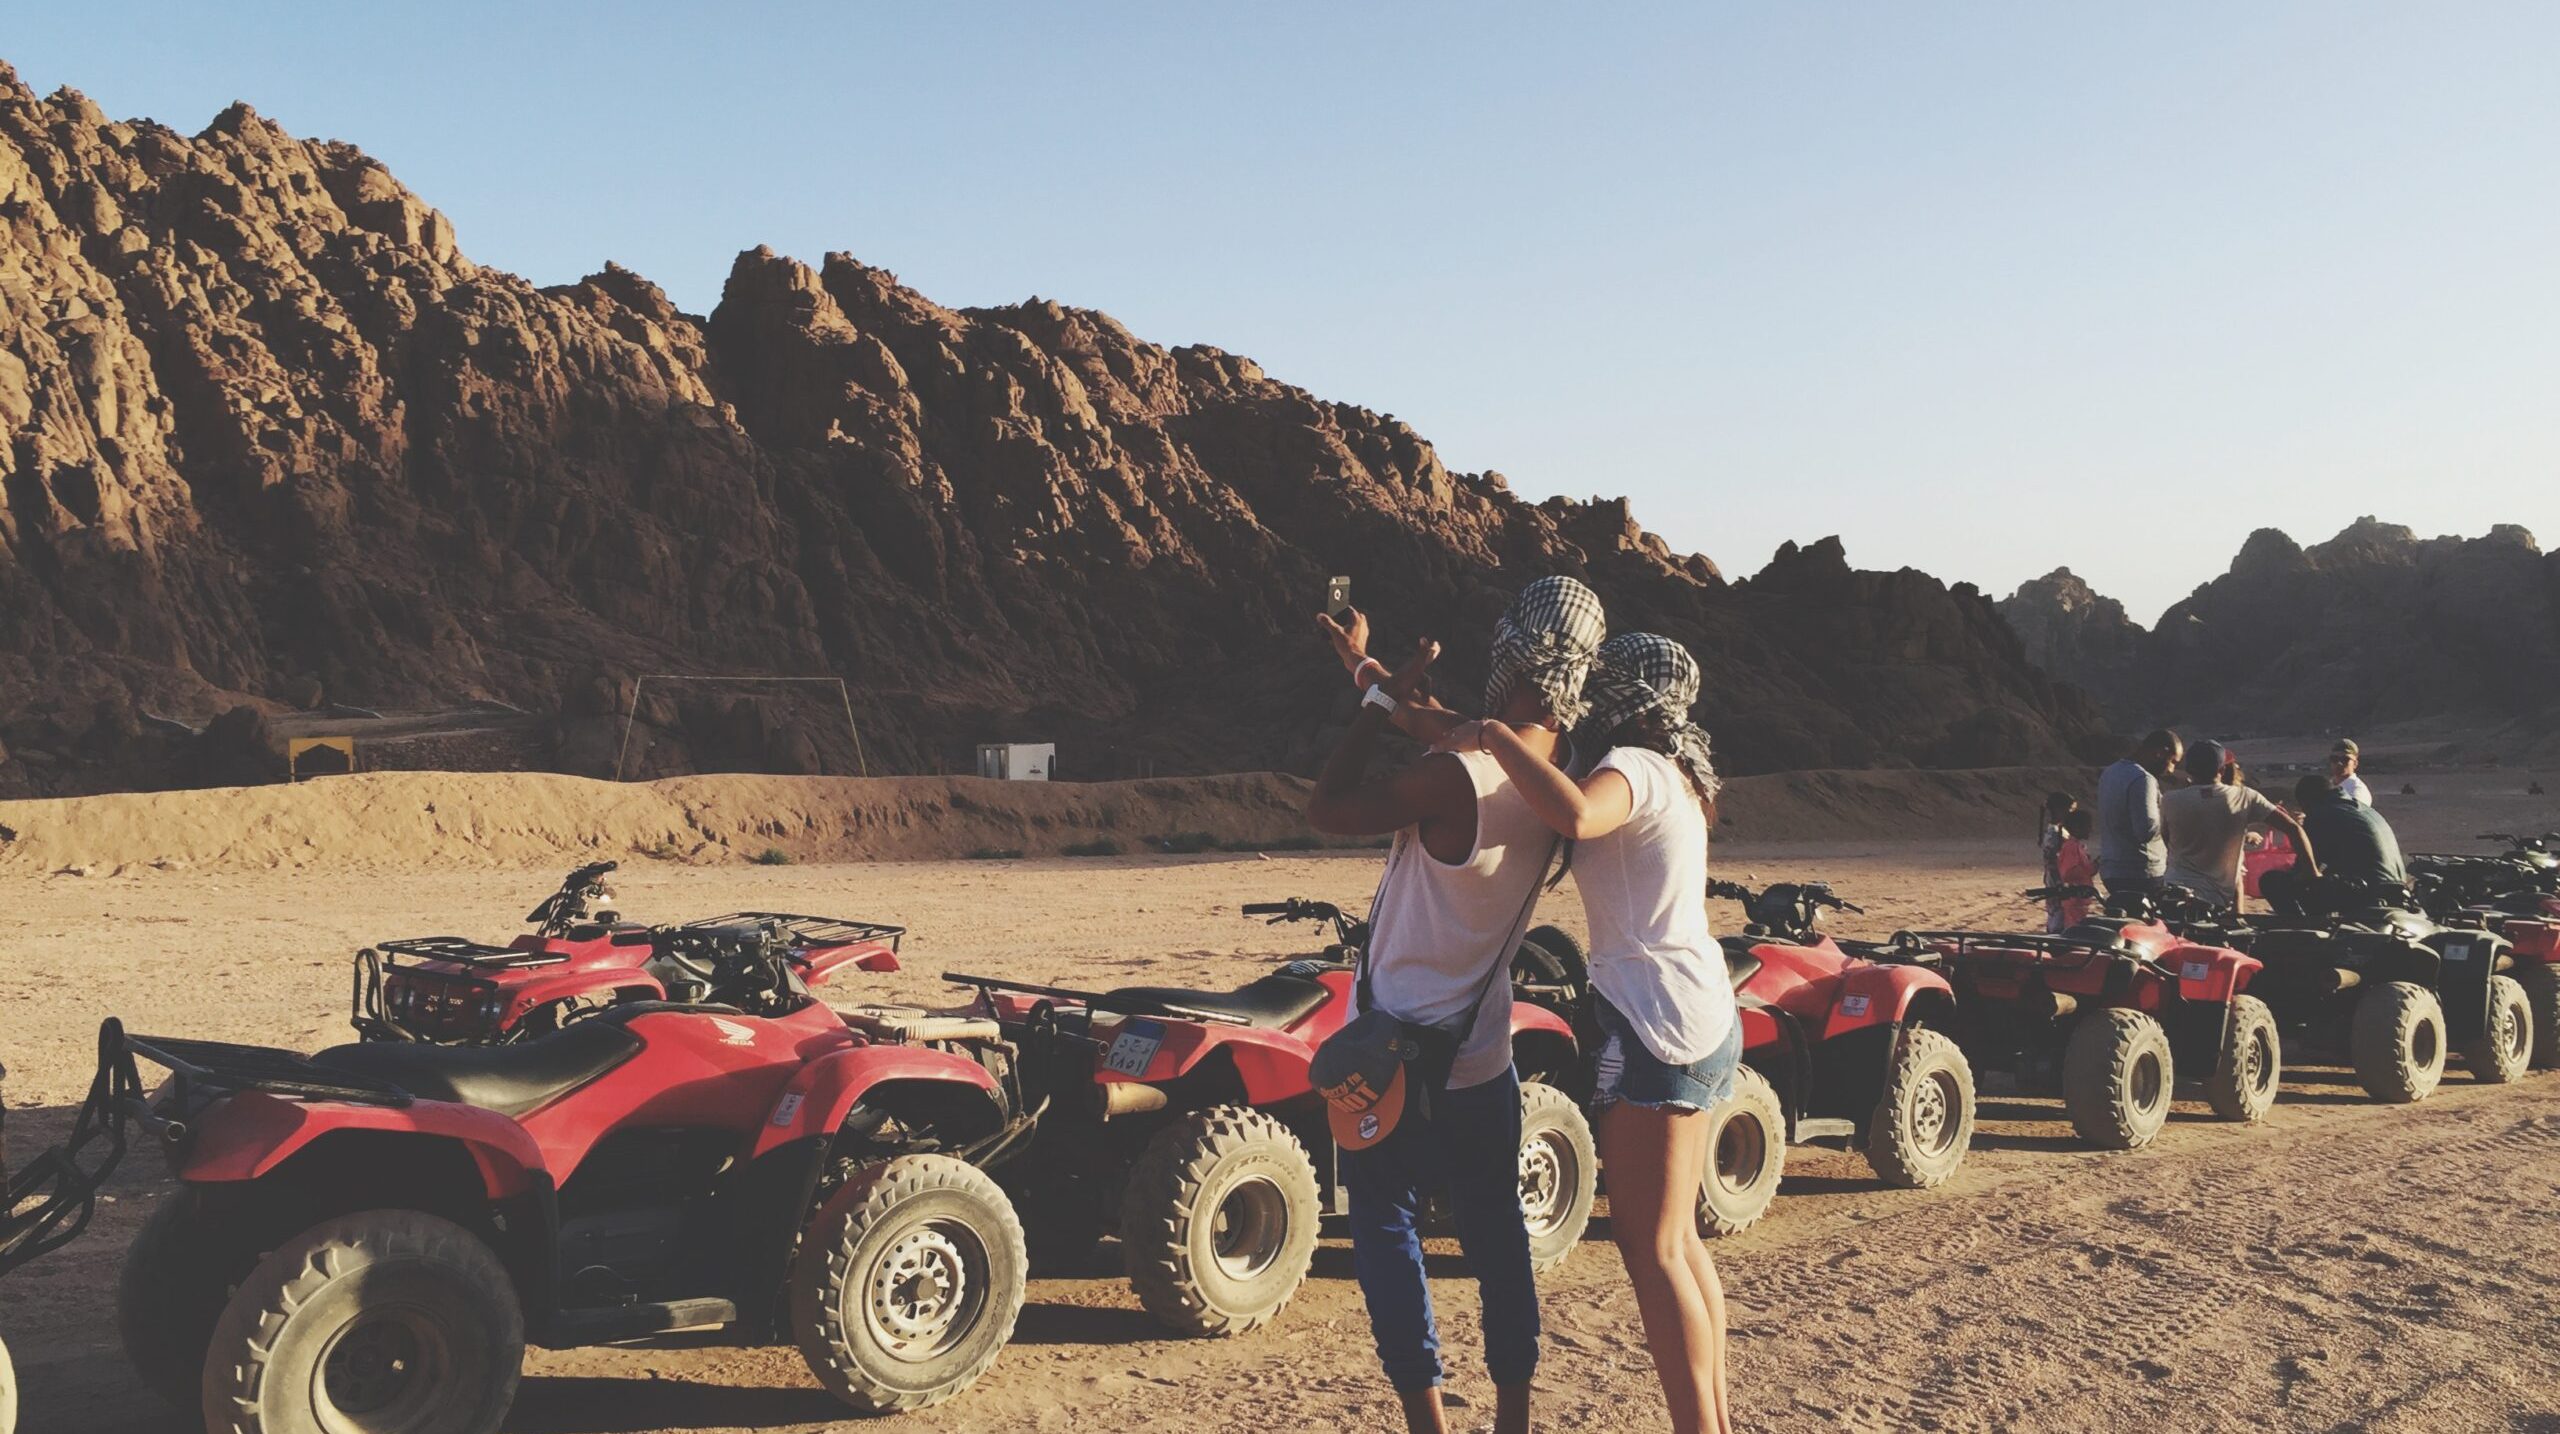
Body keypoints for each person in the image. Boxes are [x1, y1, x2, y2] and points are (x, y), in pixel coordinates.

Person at [1305, 576, 1606, 1434]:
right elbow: (1442, 723)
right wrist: (1367, 668)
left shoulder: (1453, 779)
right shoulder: (1561, 775)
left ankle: (1428, 1421)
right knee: (1498, 1240)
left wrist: (1371, 708)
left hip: (1388, 1056)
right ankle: (1513, 1416)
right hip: (1480, 1059)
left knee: (1386, 1232)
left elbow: (1326, 807)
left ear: (1515, 656)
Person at [1447, 631, 1739, 1434]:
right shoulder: (1679, 774)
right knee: (1679, 1241)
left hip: (1657, 1020)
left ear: (1625, 700)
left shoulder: (1636, 768)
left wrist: (1493, 733)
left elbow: (1575, 813)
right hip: (1695, 1010)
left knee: (1653, 1249)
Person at [2161, 740, 2319, 909]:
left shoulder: (2170, 800)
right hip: (2217, 897)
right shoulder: (2245, 797)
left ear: (2189, 770)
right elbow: (2293, 828)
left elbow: (2166, 839)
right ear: (2222, 769)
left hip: (2175, 892)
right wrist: (2311, 872)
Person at [2096, 729, 2183, 901]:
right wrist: (2169, 814)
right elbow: (2146, 830)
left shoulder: (2110, 772)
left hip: (2111, 871)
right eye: (2173, 761)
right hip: (2141, 873)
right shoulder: (2143, 778)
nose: (2172, 770)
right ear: (2160, 752)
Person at [2289, 772, 2408, 891]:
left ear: (2307, 802)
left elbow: (2307, 866)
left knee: (2286, 884)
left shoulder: (2321, 814)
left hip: (2368, 889)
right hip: (2397, 885)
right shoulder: (2361, 808)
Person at [2055, 807, 2101, 927]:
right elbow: (2068, 873)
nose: (2091, 830)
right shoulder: (2071, 847)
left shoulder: (2077, 846)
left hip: (2080, 900)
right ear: (2077, 827)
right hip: (2074, 899)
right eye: (2088, 826)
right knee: (2075, 930)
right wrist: (2091, 868)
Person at [2039, 792, 2078, 932]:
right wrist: (2060, 884)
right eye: (2070, 810)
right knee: (2058, 914)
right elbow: (2052, 859)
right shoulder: (2054, 832)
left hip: (2058, 879)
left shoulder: (2059, 830)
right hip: (2057, 881)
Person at [2329, 738, 2375, 806]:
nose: (2339, 763)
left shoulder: (2357, 791)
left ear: (2355, 764)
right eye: (2334, 759)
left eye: (2345, 759)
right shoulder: (2327, 786)